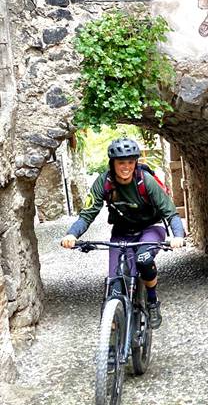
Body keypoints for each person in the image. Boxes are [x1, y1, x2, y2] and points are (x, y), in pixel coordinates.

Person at [61, 138, 185, 329]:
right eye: (121, 162)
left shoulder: (146, 181)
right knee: (115, 281)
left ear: (135, 162)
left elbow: (170, 212)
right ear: (113, 163)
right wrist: (72, 235)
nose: (126, 167)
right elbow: (86, 215)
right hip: (122, 232)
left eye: (130, 162)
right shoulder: (104, 182)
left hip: (151, 228)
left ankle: (152, 301)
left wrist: (177, 236)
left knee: (143, 260)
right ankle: (113, 336)